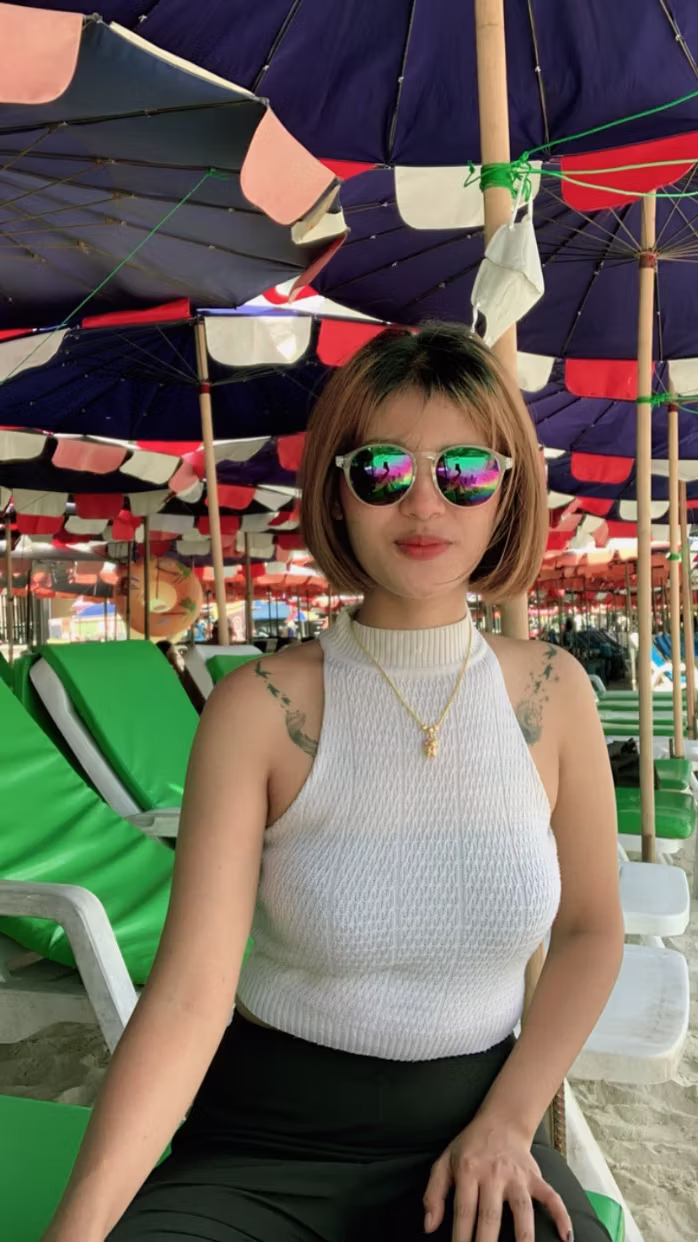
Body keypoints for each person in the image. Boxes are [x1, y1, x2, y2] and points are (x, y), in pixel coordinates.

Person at [43, 325, 623, 1242]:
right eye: (383, 469)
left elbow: (591, 932)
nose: (425, 503)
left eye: (465, 471)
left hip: (475, 1132)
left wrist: (511, 1122)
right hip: (264, 1144)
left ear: (506, 492)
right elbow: (190, 995)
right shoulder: (259, 708)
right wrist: (76, 1231)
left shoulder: (556, 693)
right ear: (339, 492)